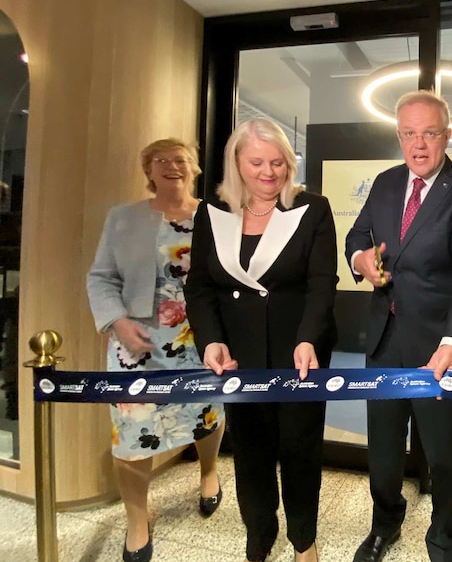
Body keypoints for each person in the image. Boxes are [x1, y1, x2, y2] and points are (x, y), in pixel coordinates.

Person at [345, 90, 452, 562]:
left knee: (444, 455)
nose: (419, 145)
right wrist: (360, 260)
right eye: (409, 134)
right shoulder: (387, 183)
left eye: (429, 133)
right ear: (399, 136)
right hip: (385, 342)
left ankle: (445, 538)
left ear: (447, 136)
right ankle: (385, 523)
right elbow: (357, 235)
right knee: (383, 452)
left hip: (438, 348)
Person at [185, 118, 337, 562]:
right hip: (239, 354)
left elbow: (321, 284)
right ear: (237, 163)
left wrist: (309, 338)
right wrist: (211, 340)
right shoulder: (211, 214)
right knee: (250, 451)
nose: (269, 172)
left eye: (277, 162)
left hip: (299, 354)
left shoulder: (312, 208)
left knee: (299, 450)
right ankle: (259, 534)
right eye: (257, 162)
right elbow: (198, 287)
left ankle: (304, 540)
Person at [87, 138, 226, 562]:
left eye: (180, 159)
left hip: (201, 339)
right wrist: (117, 321)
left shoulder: (216, 217)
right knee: (131, 434)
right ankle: (136, 520)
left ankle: (209, 471)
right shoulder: (123, 218)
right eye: (159, 161)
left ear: (195, 168)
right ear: (147, 171)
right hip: (137, 344)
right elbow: (101, 278)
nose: (171, 166)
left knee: (206, 413)